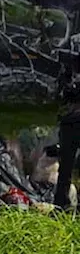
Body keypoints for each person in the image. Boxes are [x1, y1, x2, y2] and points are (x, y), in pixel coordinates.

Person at [55, 48, 80, 210]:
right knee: (65, 167)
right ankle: (61, 203)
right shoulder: (71, 67)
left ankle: (62, 202)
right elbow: (62, 92)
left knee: (66, 166)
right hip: (70, 123)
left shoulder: (70, 66)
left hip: (70, 122)